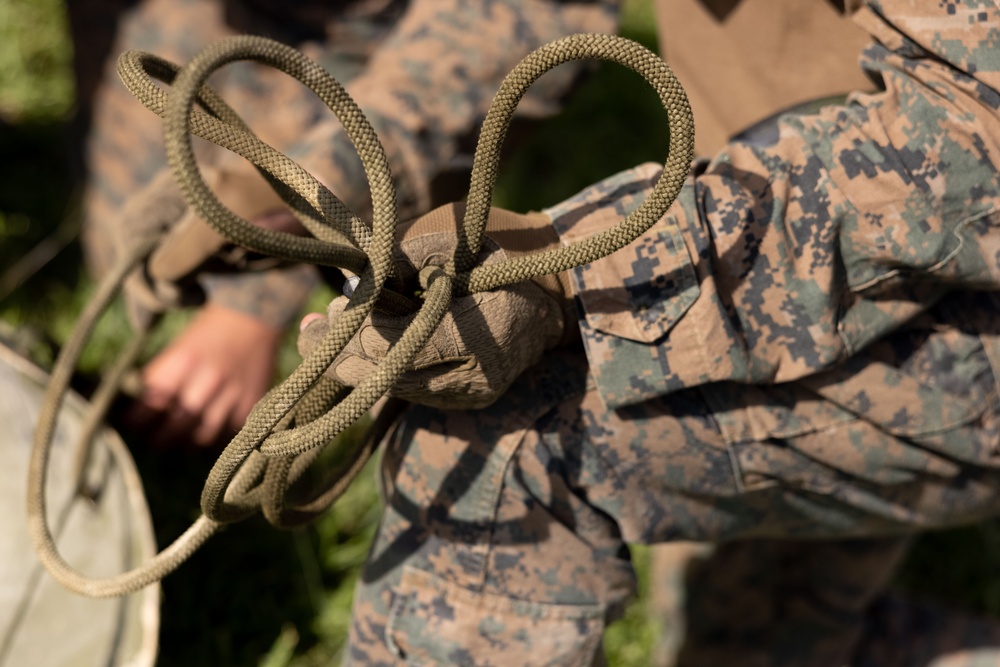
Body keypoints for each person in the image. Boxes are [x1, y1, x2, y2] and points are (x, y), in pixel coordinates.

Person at [292, 0, 1000, 663]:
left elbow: (980, 136)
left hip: (969, 281)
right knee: (749, 643)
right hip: (825, 251)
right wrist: (313, 185)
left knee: (510, 440)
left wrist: (574, 272)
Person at [73, 0, 617, 447]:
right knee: (124, 254)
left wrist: (255, 300)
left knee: (418, 365)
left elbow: (530, 16)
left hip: (386, 27)